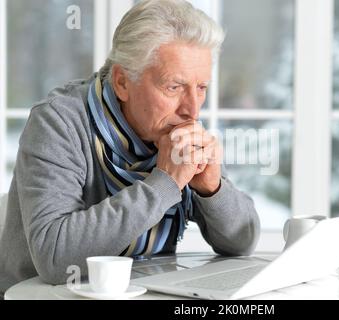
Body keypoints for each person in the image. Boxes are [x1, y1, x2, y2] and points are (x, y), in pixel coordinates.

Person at [0, 0, 260, 297]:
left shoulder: (177, 129)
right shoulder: (58, 122)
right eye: (173, 87)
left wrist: (212, 190)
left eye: (200, 88)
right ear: (123, 82)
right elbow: (55, 258)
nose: (192, 110)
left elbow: (242, 243)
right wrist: (165, 184)